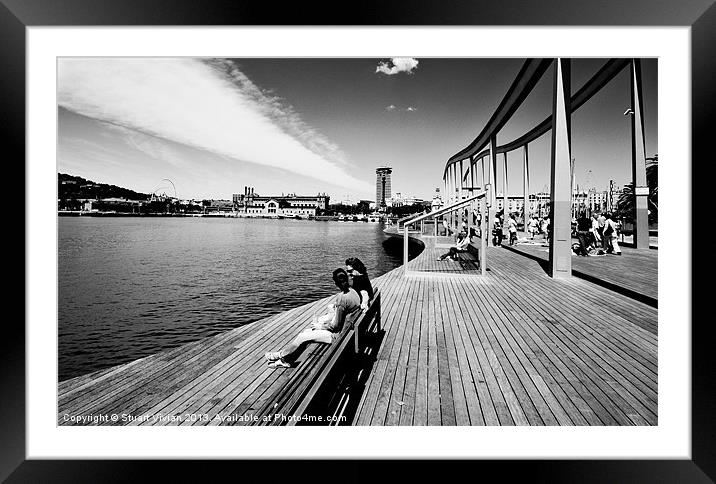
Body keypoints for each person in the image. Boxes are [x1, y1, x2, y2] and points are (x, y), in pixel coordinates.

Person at [264, 268, 362, 368]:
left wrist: (321, 326)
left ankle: (282, 357)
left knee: (303, 336)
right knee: (306, 333)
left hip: (339, 337)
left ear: (336, 283)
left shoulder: (342, 298)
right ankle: (286, 357)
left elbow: (336, 327)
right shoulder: (353, 291)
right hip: (348, 333)